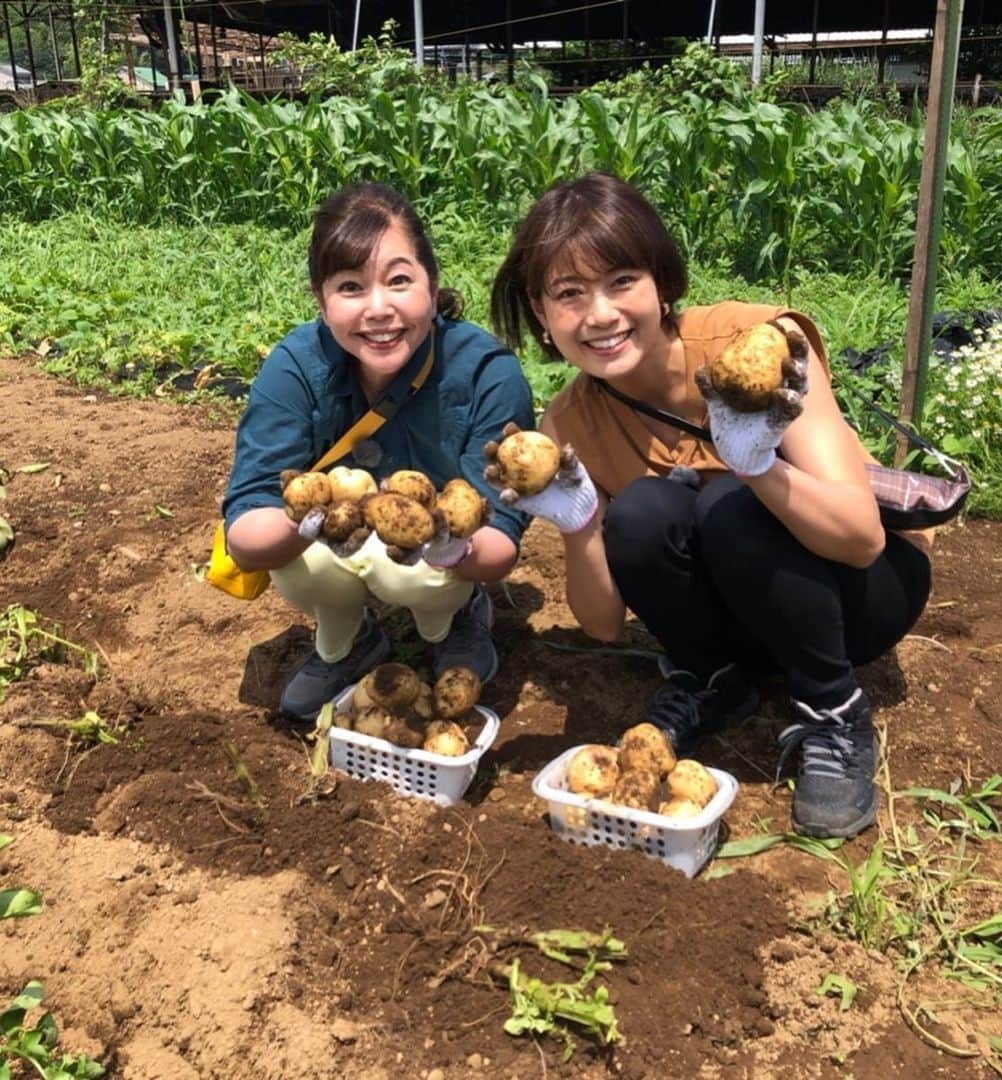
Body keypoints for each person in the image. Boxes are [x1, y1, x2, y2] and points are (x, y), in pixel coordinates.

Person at [489, 173, 932, 839]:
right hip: (744, 617)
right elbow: (605, 625)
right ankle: (716, 681)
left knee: (725, 500)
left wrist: (756, 469)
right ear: (542, 314)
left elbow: (863, 539)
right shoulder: (570, 421)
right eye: (569, 295)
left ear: (662, 282)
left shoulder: (760, 345)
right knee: (641, 511)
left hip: (856, 596)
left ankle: (834, 712)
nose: (600, 314)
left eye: (622, 282)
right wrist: (580, 520)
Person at [223, 182, 534, 720]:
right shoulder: (295, 367)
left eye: (398, 281)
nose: (379, 309)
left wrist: (446, 545)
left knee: (410, 571)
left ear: (433, 287)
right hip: (338, 536)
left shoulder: (488, 372)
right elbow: (245, 535)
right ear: (321, 301)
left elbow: (499, 539)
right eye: (350, 287)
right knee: (298, 564)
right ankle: (345, 642)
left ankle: (455, 619)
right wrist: (308, 525)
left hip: (441, 558)